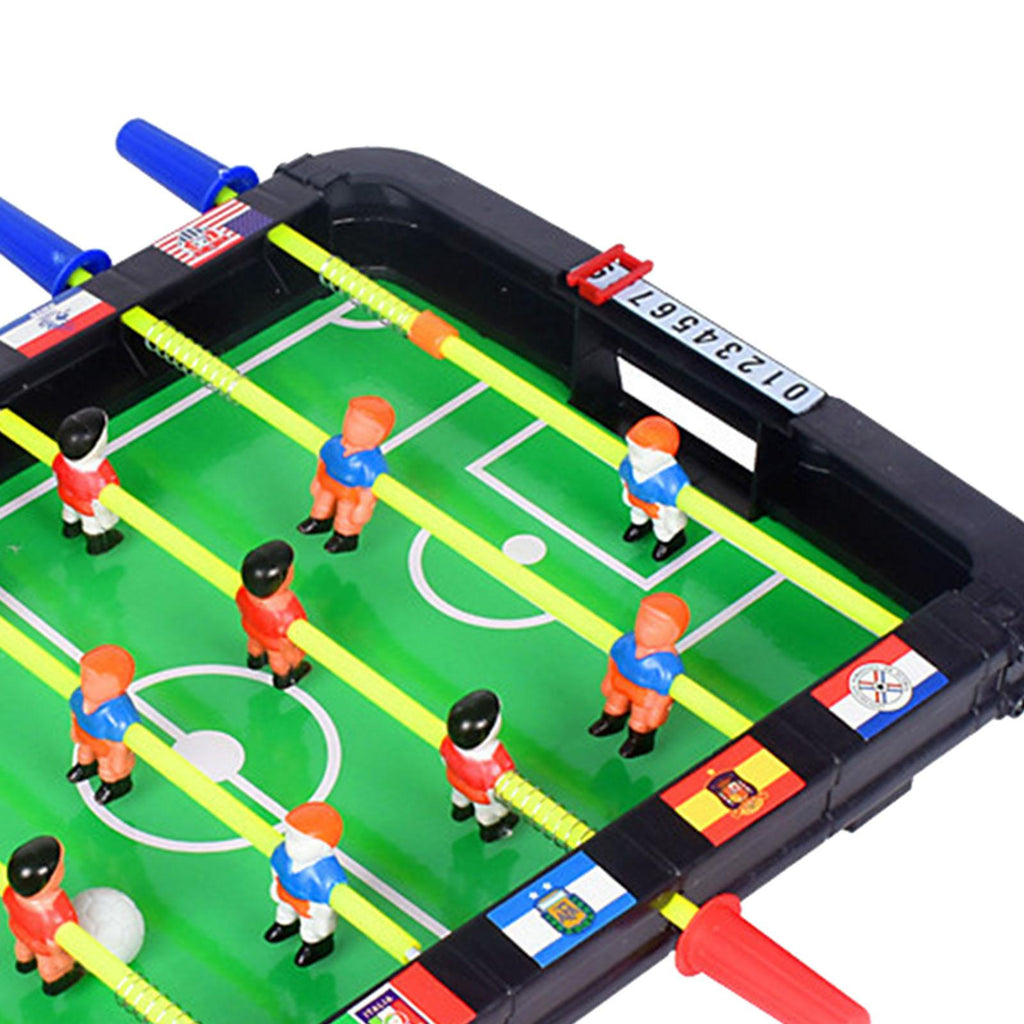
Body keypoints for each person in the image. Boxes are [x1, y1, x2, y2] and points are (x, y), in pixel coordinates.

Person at [589, 593, 690, 758]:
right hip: (621, 683)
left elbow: (665, 693)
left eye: (655, 625)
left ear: (673, 634)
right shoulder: (627, 643)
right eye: (643, 619)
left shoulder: (666, 664)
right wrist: (609, 679)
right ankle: (611, 722)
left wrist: (657, 711)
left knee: (640, 721)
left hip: (644, 697)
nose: (645, 627)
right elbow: (614, 658)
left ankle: (639, 740)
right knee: (614, 705)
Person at [297, 395, 395, 553]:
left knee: (347, 515)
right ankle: (319, 520)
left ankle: (345, 536)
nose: (350, 424)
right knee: (322, 504)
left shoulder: (370, 463)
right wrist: (317, 480)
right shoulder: (335, 444)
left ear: (377, 434)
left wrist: (364, 507)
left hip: (350, 493)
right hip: (328, 481)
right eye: (349, 418)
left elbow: (369, 490)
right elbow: (323, 460)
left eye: (358, 423)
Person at [265, 802, 347, 967]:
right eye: (290, 836)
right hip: (285, 893)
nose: (290, 844)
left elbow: (327, 903)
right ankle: (286, 924)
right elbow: (276, 869)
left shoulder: (326, 874)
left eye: (299, 842)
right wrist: (275, 885)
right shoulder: (282, 853)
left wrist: (322, 920)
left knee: (311, 929)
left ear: (324, 848)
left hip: (309, 906)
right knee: (285, 911)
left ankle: (315, 945)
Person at [2, 837, 83, 996]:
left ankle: (24, 960)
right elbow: (64, 925)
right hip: (41, 942)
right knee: (47, 960)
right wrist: (57, 950)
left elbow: (7, 904)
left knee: (23, 945)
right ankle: (52, 979)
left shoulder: (12, 893)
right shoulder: (54, 904)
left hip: (19, 929)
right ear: (50, 881)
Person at [441, 690, 519, 842]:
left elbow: (444, 758)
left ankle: (460, 810)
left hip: (456, 780)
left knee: (459, 795)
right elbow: (501, 781)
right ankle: (490, 829)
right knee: (486, 812)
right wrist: (500, 807)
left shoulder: (448, 743)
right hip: (480, 795)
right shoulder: (494, 757)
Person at [67, 645, 140, 804]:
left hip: (106, 746)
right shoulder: (79, 697)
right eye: (85, 677)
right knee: (84, 755)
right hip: (87, 736)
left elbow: (120, 744)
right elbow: (75, 714)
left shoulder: (119, 715)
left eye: (93, 681)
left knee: (108, 769)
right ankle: (86, 767)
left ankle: (116, 785)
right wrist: (75, 729)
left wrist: (119, 761)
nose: (86, 684)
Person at [236, 541, 311, 690]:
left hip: (251, 627)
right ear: (282, 579)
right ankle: (282, 677)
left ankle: (255, 659)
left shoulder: (243, 593)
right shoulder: (285, 607)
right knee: (277, 657)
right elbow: (294, 626)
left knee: (255, 643)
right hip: (273, 641)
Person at [52, 407, 123, 555]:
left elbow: (56, 475)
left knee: (70, 512)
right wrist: (108, 520)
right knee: (92, 525)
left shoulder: (60, 460)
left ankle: (70, 528)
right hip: (87, 507)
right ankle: (97, 545)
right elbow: (104, 498)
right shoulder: (99, 473)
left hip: (66, 495)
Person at [619, 415, 689, 561]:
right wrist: (627, 491)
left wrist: (670, 517)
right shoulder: (628, 465)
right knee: (638, 513)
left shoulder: (670, 481)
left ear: (664, 456)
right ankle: (640, 525)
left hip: (658, 509)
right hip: (636, 500)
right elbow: (624, 478)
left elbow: (674, 505)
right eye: (632, 450)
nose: (633, 458)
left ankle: (669, 541)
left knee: (663, 527)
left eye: (640, 454)